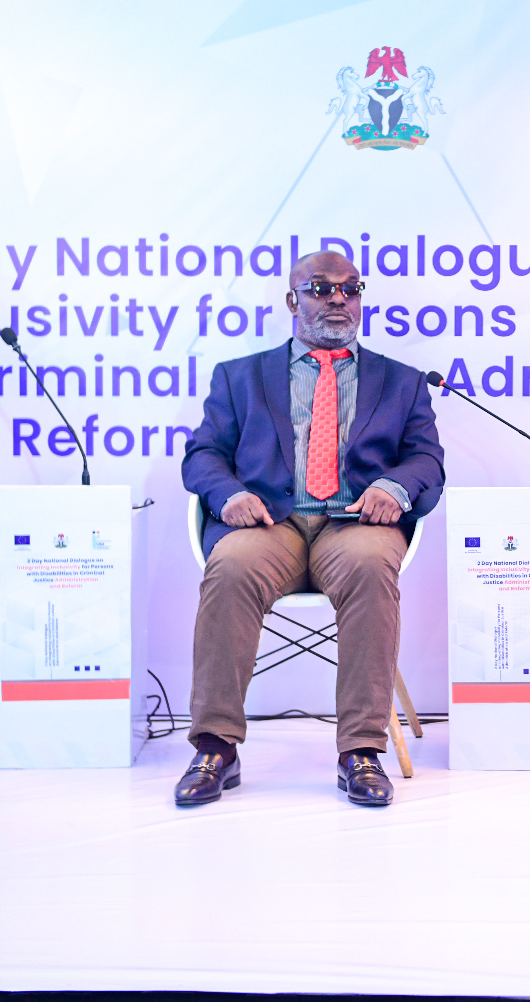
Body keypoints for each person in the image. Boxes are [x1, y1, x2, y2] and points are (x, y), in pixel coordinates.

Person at [176, 251, 445, 808]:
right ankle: (215, 746)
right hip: (271, 520)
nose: (338, 300)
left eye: (351, 289)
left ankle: (361, 752)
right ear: (293, 301)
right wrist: (230, 495)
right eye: (322, 289)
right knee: (229, 567)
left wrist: (394, 488)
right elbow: (202, 456)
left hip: (354, 523)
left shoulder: (401, 382)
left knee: (374, 567)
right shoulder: (239, 376)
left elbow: (427, 460)